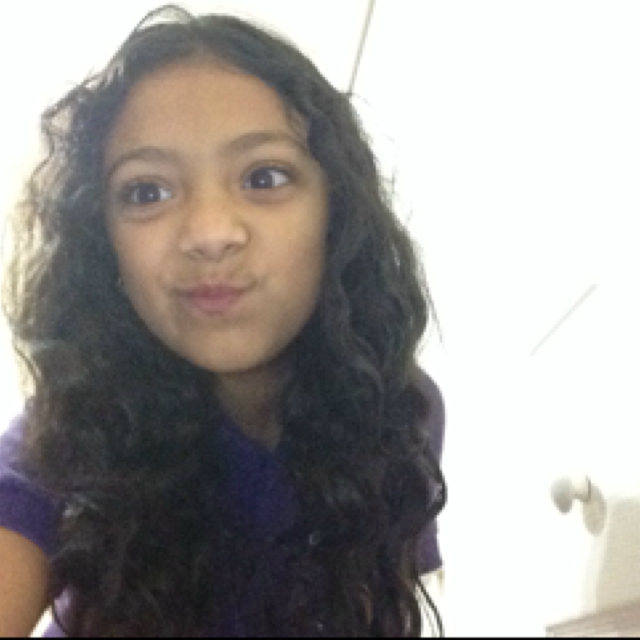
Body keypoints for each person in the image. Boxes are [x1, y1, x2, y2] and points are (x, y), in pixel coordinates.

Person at [0, 4, 446, 637]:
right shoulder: (69, 428)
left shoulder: (398, 407)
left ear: (336, 214)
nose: (210, 232)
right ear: (105, 248)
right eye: (147, 191)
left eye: (265, 177)